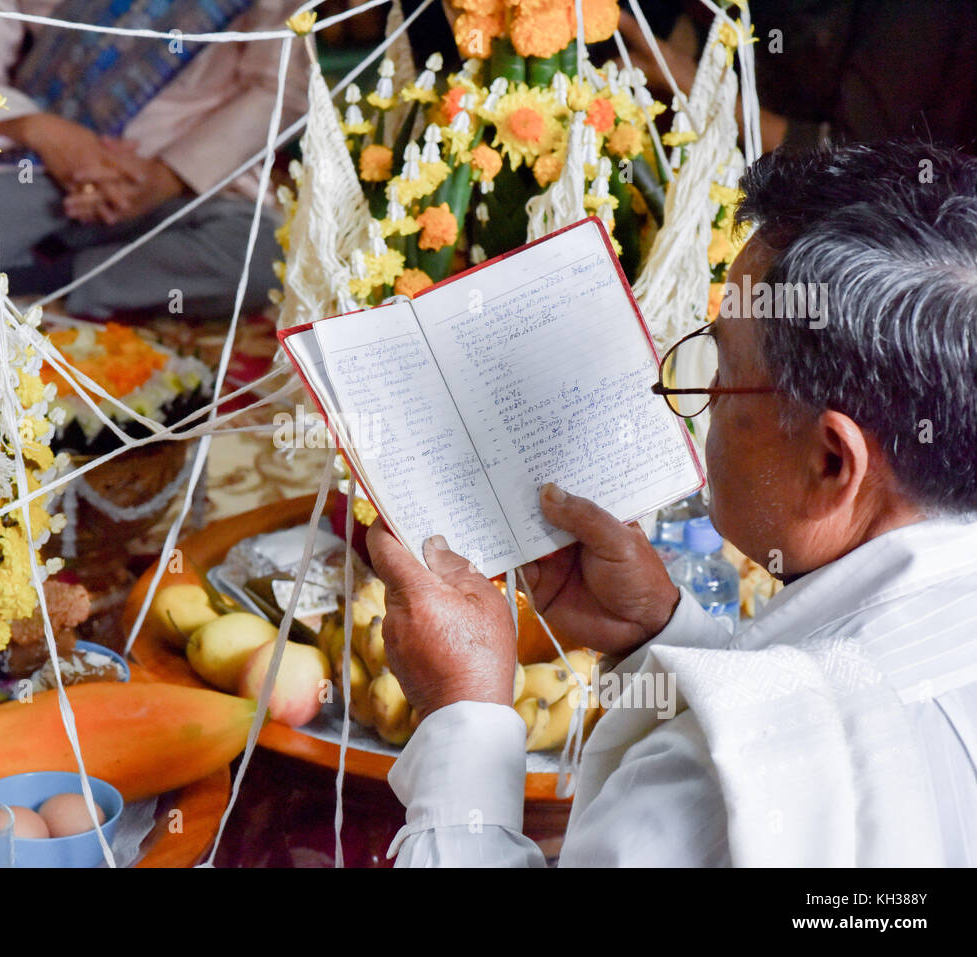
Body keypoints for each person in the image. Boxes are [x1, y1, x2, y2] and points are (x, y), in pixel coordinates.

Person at [367, 140, 977, 866]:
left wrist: (461, 710)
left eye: (723, 369)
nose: (700, 398)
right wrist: (657, 639)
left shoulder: (719, 788)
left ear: (831, 460)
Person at [0, 0, 308, 320]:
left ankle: (40, 281)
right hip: (37, 168)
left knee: (264, 252)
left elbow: (280, 90)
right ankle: (38, 268)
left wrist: (165, 177)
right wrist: (41, 129)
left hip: (177, 183)